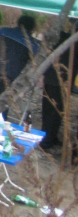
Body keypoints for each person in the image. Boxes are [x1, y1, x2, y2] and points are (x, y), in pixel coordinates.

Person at [41, 23, 78, 151]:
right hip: (60, 80)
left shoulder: (62, 36)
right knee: (54, 111)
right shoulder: (72, 41)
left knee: (52, 110)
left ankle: (50, 137)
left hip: (53, 78)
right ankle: (46, 141)